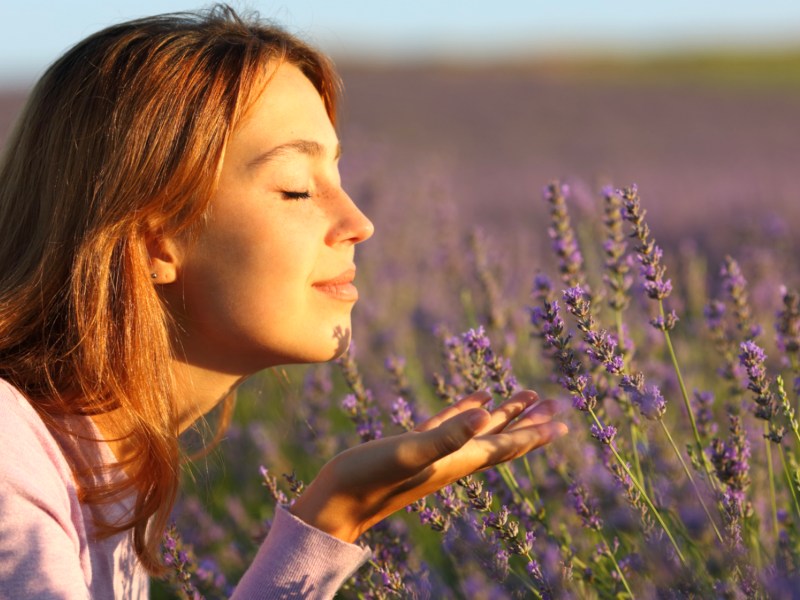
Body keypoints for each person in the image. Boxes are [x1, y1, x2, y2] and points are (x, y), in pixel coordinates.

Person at [0, 5, 568, 598]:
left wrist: (334, 519)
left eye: (339, 178)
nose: (359, 222)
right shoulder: (11, 461)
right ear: (153, 241)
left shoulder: (104, 471)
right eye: (297, 188)